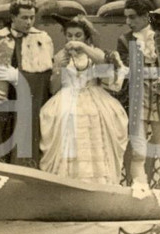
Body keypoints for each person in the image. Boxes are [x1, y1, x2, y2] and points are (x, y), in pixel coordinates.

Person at [39, 15, 128, 184]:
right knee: (64, 118)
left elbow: (104, 68)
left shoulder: (94, 53)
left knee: (95, 117)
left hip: (93, 95)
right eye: (69, 35)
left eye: (78, 35)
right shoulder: (61, 56)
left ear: (86, 37)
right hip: (67, 95)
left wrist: (83, 47)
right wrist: (59, 68)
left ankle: (98, 182)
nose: (73, 39)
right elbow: (53, 88)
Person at [0, 0, 54, 166]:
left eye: (32, 18)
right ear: (13, 17)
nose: (29, 22)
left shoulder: (42, 39)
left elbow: (46, 79)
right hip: (0, 102)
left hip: (28, 102)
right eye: (24, 18)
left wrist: (20, 79)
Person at [117, 0, 160, 190]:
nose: (128, 22)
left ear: (146, 16)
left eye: (132, 17)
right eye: (126, 18)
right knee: (138, 152)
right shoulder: (124, 41)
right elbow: (124, 72)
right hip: (138, 101)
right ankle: (141, 191)